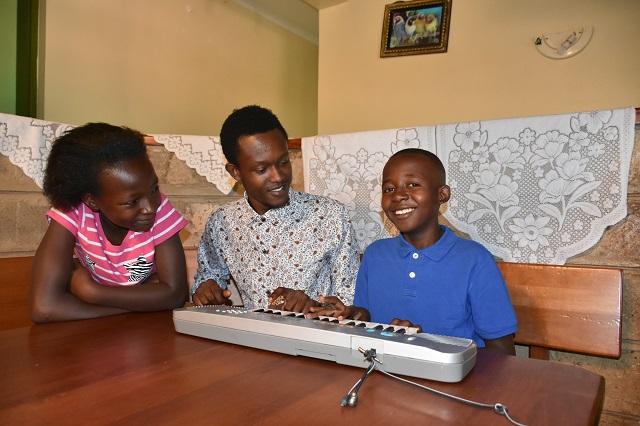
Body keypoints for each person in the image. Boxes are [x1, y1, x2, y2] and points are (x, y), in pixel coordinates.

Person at [312, 148, 518, 355]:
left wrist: (423, 346)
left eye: (413, 184)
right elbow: (369, 320)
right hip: (385, 377)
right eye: (389, 189)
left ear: (442, 194)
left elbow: (503, 353)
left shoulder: (475, 260)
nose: (399, 195)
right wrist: (355, 317)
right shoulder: (375, 255)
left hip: (454, 383)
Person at [191, 105, 359, 313]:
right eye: (262, 169)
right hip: (253, 339)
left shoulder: (330, 216)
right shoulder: (222, 223)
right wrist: (205, 289)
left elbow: (350, 303)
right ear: (235, 172)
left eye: (283, 162)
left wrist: (314, 306)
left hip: (318, 338)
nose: (278, 176)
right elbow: (210, 275)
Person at [30, 123, 189, 323]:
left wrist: (93, 293)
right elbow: (44, 308)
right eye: (131, 202)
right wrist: (145, 302)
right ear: (91, 201)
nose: (150, 207)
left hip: (147, 330)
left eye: (154, 189)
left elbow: (175, 296)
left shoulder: (161, 210)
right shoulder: (72, 213)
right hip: (94, 336)